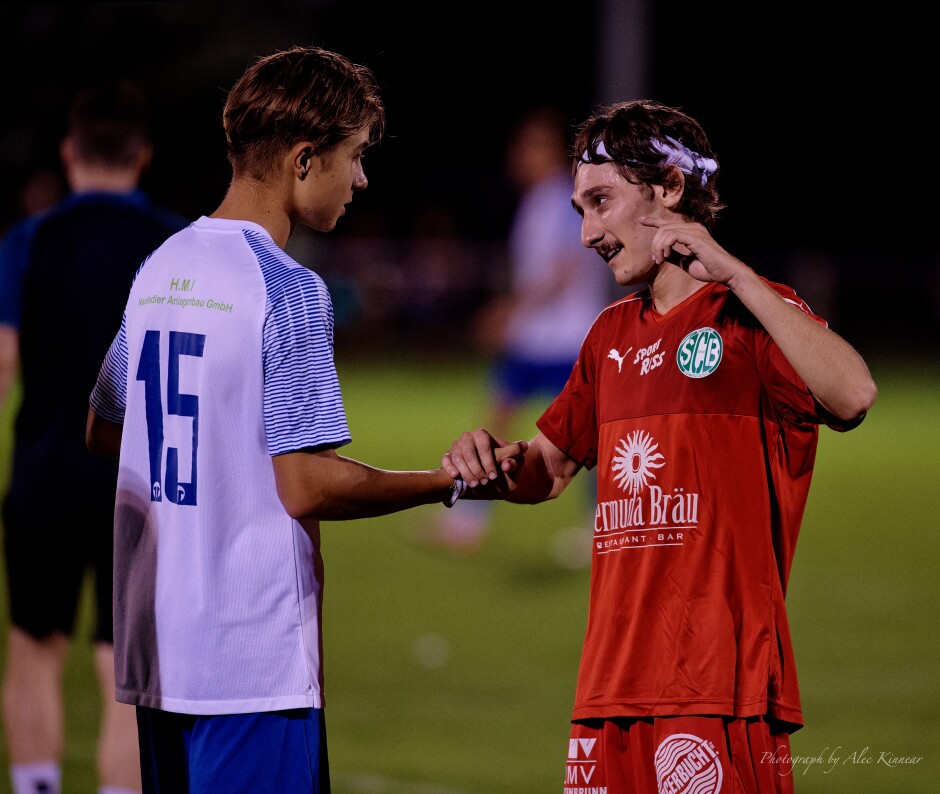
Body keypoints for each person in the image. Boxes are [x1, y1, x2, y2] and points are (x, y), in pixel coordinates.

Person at [84, 46, 520, 793]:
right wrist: (446, 482)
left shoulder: (161, 266)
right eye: (355, 158)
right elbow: (307, 485)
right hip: (249, 663)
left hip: (158, 648)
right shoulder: (286, 289)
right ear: (304, 159)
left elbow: (103, 428)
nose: (361, 180)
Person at [441, 99, 878, 793]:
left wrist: (736, 276)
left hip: (718, 692)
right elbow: (549, 469)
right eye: (580, 209)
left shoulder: (750, 317)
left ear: (669, 188)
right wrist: (490, 462)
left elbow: (852, 394)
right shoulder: (610, 335)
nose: (587, 233)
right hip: (607, 696)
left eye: (601, 203)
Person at [0, 80, 189, 794]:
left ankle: (38, 786)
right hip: (139, 484)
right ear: (141, 156)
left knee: (33, 652)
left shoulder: (31, 238)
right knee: (126, 672)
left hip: (44, 476)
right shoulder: (173, 242)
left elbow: (2, 360)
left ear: (69, 153)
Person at [423, 106, 611, 559]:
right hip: (535, 338)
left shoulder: (565, 198)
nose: (520, 156)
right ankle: (469, 519)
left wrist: (511, 309)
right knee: (496, 421)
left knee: (588, 438)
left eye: (530, 146)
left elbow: (566, 267)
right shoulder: (536, 201)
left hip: (566, 337)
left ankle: (600, 528)